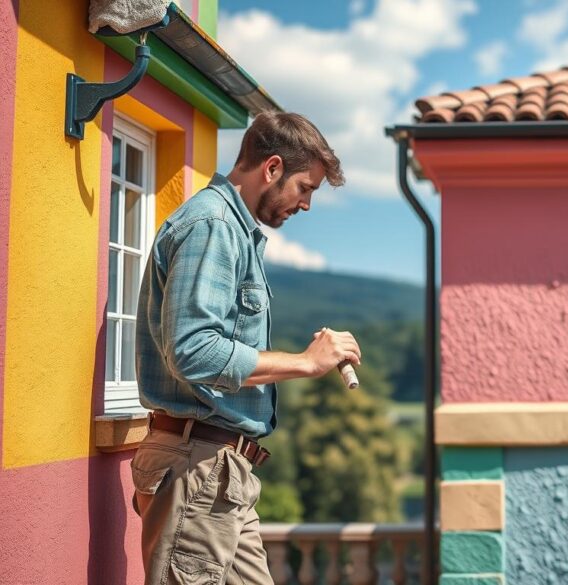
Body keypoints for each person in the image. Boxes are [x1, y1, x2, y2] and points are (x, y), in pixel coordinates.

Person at [130, 111, 359, 585]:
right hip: (198, 470)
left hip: (220, 477)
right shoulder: (213, 225)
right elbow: (193, 351)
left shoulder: (235, 232)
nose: (308, 204)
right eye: (306, 188)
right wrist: (304, 363)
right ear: (272, 168)